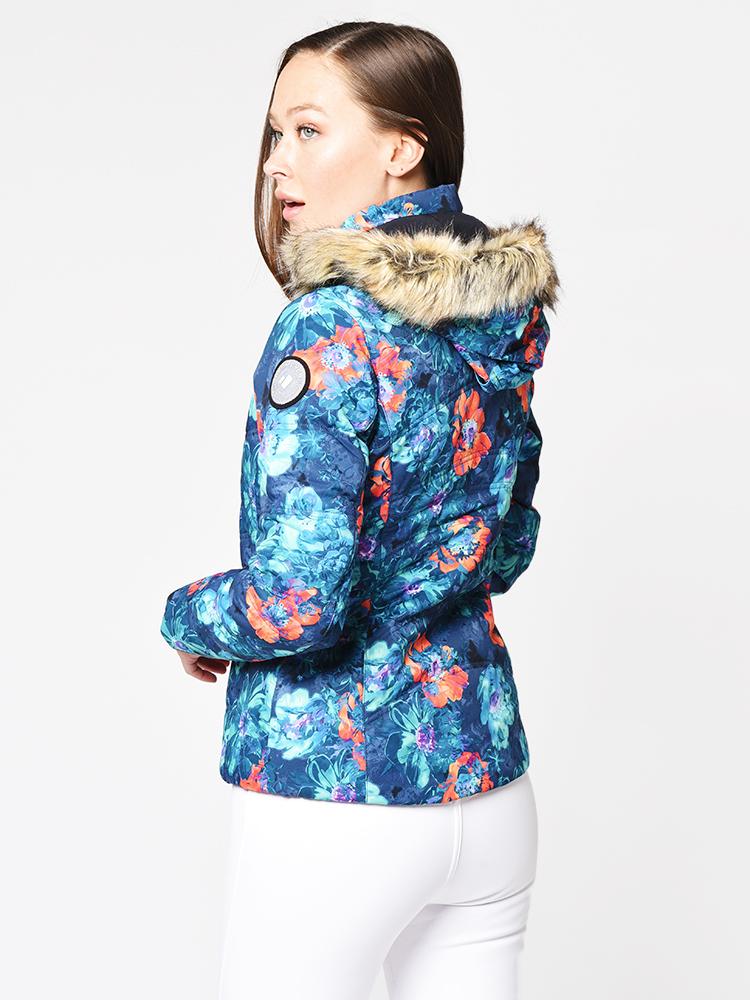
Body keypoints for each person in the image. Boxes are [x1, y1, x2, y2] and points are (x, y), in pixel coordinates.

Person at [159, 20, 560, 1000]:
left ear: (401, 148)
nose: (277, 161)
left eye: (307, 129)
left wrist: (186, 614)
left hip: (337, 790)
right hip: (487, 782)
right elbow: (509, 542)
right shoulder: (498, 317)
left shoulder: (329, 326)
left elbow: (300, 603)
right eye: (274, 133)